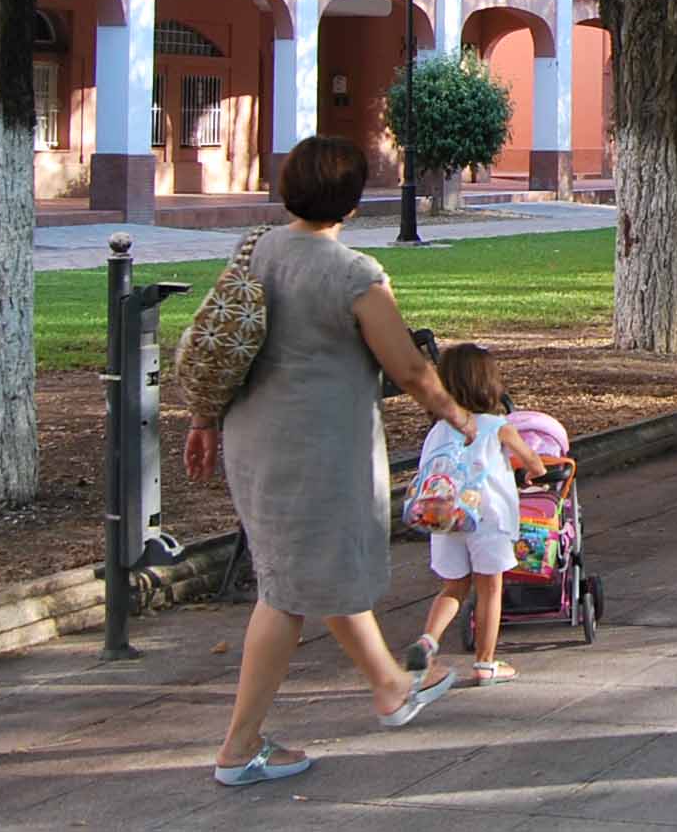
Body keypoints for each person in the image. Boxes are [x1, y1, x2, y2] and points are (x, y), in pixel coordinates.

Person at [183, 134, 482, 788]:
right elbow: (406, 364)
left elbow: (222, 338)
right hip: (316, 447)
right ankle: (238, 748)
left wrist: (203, 417)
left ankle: (388, 687)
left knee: (302, 570)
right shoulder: (354, 275)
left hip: (252, 438)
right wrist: (457, 415)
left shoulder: (255, 249)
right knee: (288, 591)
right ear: (351, 199)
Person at [401, 343, 547, 686]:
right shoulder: (498, 425)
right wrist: (529, 473)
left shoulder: (438, 430)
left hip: (445, 518)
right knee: (490, 589)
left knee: (452, 587)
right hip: (488, 519)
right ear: (488, 383)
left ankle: (428, 642)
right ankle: (485, 663)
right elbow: (536, 464)